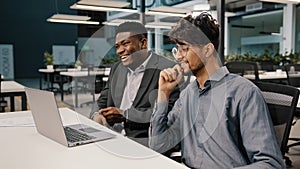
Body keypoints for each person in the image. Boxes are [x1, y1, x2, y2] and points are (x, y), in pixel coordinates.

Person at [149, 13, 285, 168]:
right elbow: (158, 146)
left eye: (184, 49)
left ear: (207, 50)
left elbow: (270, 164)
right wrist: (163, 95)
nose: (179, 56)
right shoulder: (187, 95)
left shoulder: (243, 93)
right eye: (177, 49)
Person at [91, 21, 180, 147]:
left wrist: (125, 115)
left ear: (143, 43)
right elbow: (102, 100)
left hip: (142, 143)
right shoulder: (117, 68)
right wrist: (96, 115)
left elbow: (168, 113)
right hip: (110, 138)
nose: (119, 51)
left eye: (125, 43)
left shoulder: (166, 69)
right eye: (117, 46)